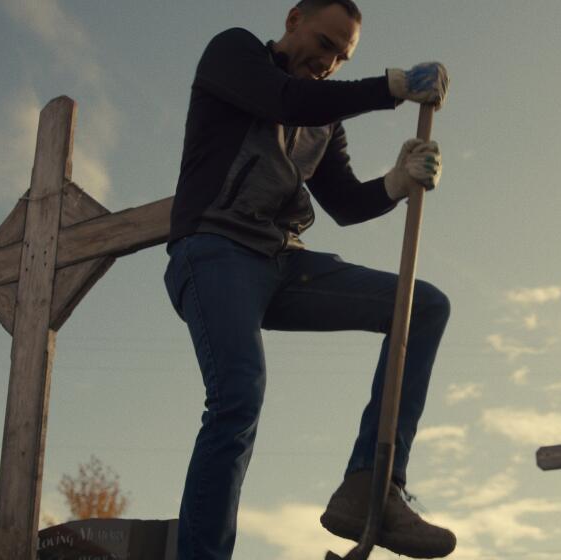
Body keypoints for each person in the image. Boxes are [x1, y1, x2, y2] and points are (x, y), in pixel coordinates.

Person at [164, 1, 454, 558]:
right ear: (294, 19)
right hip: (215, 251)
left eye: (341, 58)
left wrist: (396, 182)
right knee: (237, 399)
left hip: (282, 262)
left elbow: (344, 202)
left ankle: (371, 485)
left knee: (423, 306)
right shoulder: (236, 54)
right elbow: (285, 100)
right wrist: (392, 86)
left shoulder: (325, 117)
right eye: (324, 44)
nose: (328, 62)